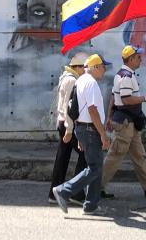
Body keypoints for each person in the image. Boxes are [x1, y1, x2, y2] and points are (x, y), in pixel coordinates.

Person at [0, 0, 88, 130]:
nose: (52, 24)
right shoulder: (8, 68)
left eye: (64, 14)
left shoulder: (95, 67)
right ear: (24, 13)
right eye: (39, 12)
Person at [100, 45, 146, 199]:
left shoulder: (122, 74)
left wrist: (109, 117)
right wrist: (145, 98)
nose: (140, 59)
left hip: (128, 123)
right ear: (130, 59)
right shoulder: (126, 77)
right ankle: (96, 187)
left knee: (139, 155)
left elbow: (113, 97)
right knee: (114, 156)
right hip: (125, 124)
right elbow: (125, 99)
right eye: (138, 57)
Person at [52, 54, 112, 215]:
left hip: (83, 129)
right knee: (94, 168)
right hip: (90, 130)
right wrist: (103, 135)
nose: (105, 70)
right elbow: (92, 110)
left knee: (95, 167)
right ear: (96, 67)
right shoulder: (91, 83)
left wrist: (79, 133)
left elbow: (74, 109)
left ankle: (91, 205)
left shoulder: (80, 81)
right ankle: (64, 190)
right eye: (103, 67)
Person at [48, 52, 88, 205]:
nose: (86, 71)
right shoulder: (72, 80)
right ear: (77, 67)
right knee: (85, 154)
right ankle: (76, 193)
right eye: (84, 68)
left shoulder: (66, 77)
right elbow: (68, 108)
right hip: (67, 124)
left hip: (63, 123)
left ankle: (54, 193)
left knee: (62, 158)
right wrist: (70, 130)